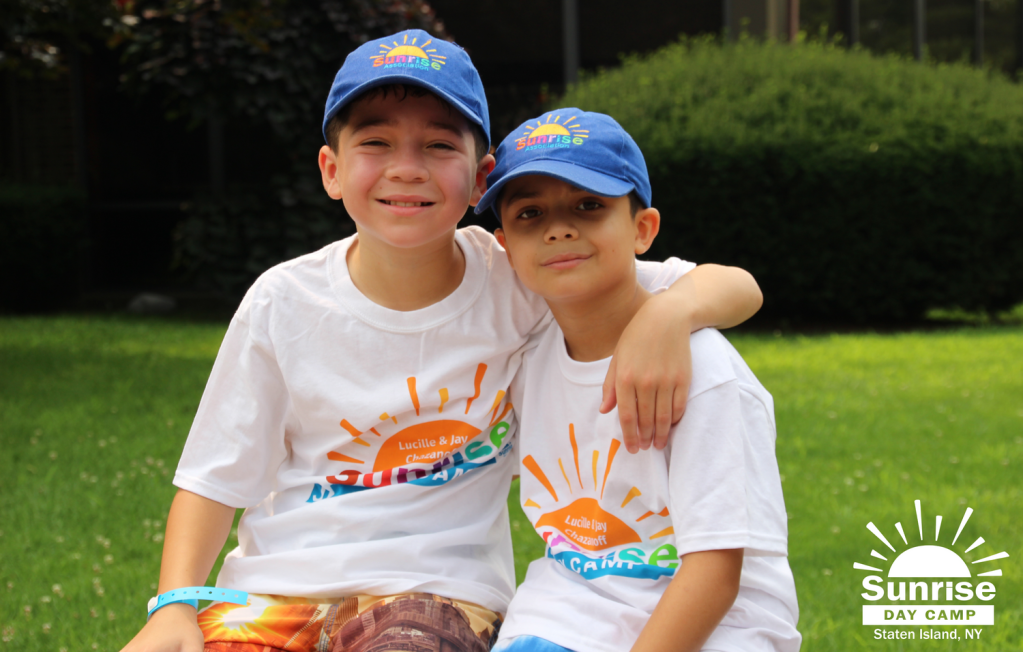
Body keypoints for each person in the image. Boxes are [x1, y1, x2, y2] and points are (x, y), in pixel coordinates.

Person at [120, 32, 764, 652]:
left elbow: (734, 285)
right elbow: (213, 478)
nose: (406, 168)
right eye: (375, 141)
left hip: (435, 594)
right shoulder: (283, 301)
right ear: (331, 169)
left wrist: (667, 315)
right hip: (273, 591)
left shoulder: (520, 274)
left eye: (436, 145)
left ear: (481, 179)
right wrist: (173, 604)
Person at [482, 109, 800, 652]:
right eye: (530, 213)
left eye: (590, 205)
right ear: (506, 247)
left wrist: (668, 314)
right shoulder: (525, 359)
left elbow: (715, 575)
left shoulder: (706, 373)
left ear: (642, 229)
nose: (559, 228)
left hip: (719, 625)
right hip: (571, 609)